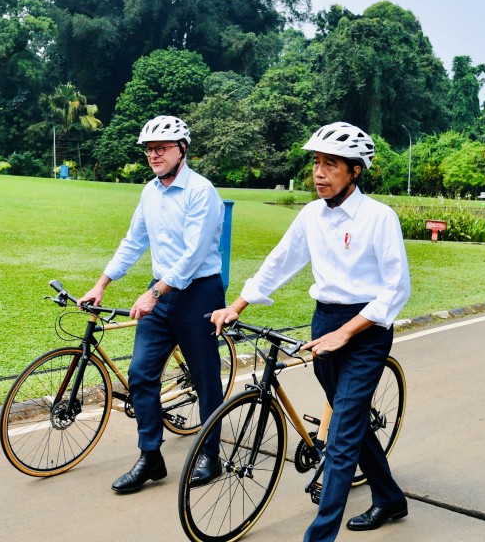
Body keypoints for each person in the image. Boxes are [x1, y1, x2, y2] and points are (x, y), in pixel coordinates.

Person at [211, 121, 411, 540]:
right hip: (324, 324)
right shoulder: (311, 215)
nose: (319, 173)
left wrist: (348, 333)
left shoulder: (379, 218)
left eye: (331, 164)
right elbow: (280, 262)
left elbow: (396, 290)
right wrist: (237, 305)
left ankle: (319, 536)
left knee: (339, 438)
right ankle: (390, 498)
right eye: (316, 163)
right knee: (348, 423)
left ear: (355, 171)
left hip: (367, 330)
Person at [80, 115, 227, 494]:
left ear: (182, 149)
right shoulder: (150, 192)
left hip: (199, 293)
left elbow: (194, 256)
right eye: (148, 149)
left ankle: (211, 455)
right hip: (161, 293)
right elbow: (133, 241)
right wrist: (102, 284)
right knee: (141, 375)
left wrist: (154, 293)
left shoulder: (201, 192)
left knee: (206, 376)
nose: (153, 155)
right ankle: (151, 456)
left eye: (161, 148)